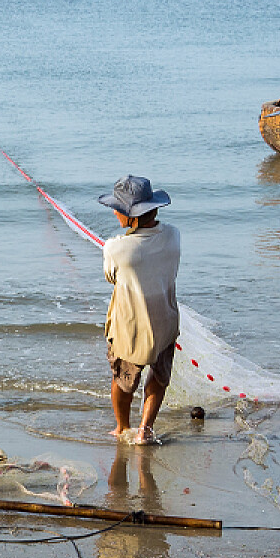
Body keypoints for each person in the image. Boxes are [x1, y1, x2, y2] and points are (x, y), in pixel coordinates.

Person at [98, 174, 180, 445]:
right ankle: (145, 429)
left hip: (131, 328)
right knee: (159, 376)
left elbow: (111, 276)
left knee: (123, 381)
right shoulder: (173, 235)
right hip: (165, 322)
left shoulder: (115, 247)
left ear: (132, 217)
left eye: (118, 209)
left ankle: (122, 428)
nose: (114, 212)